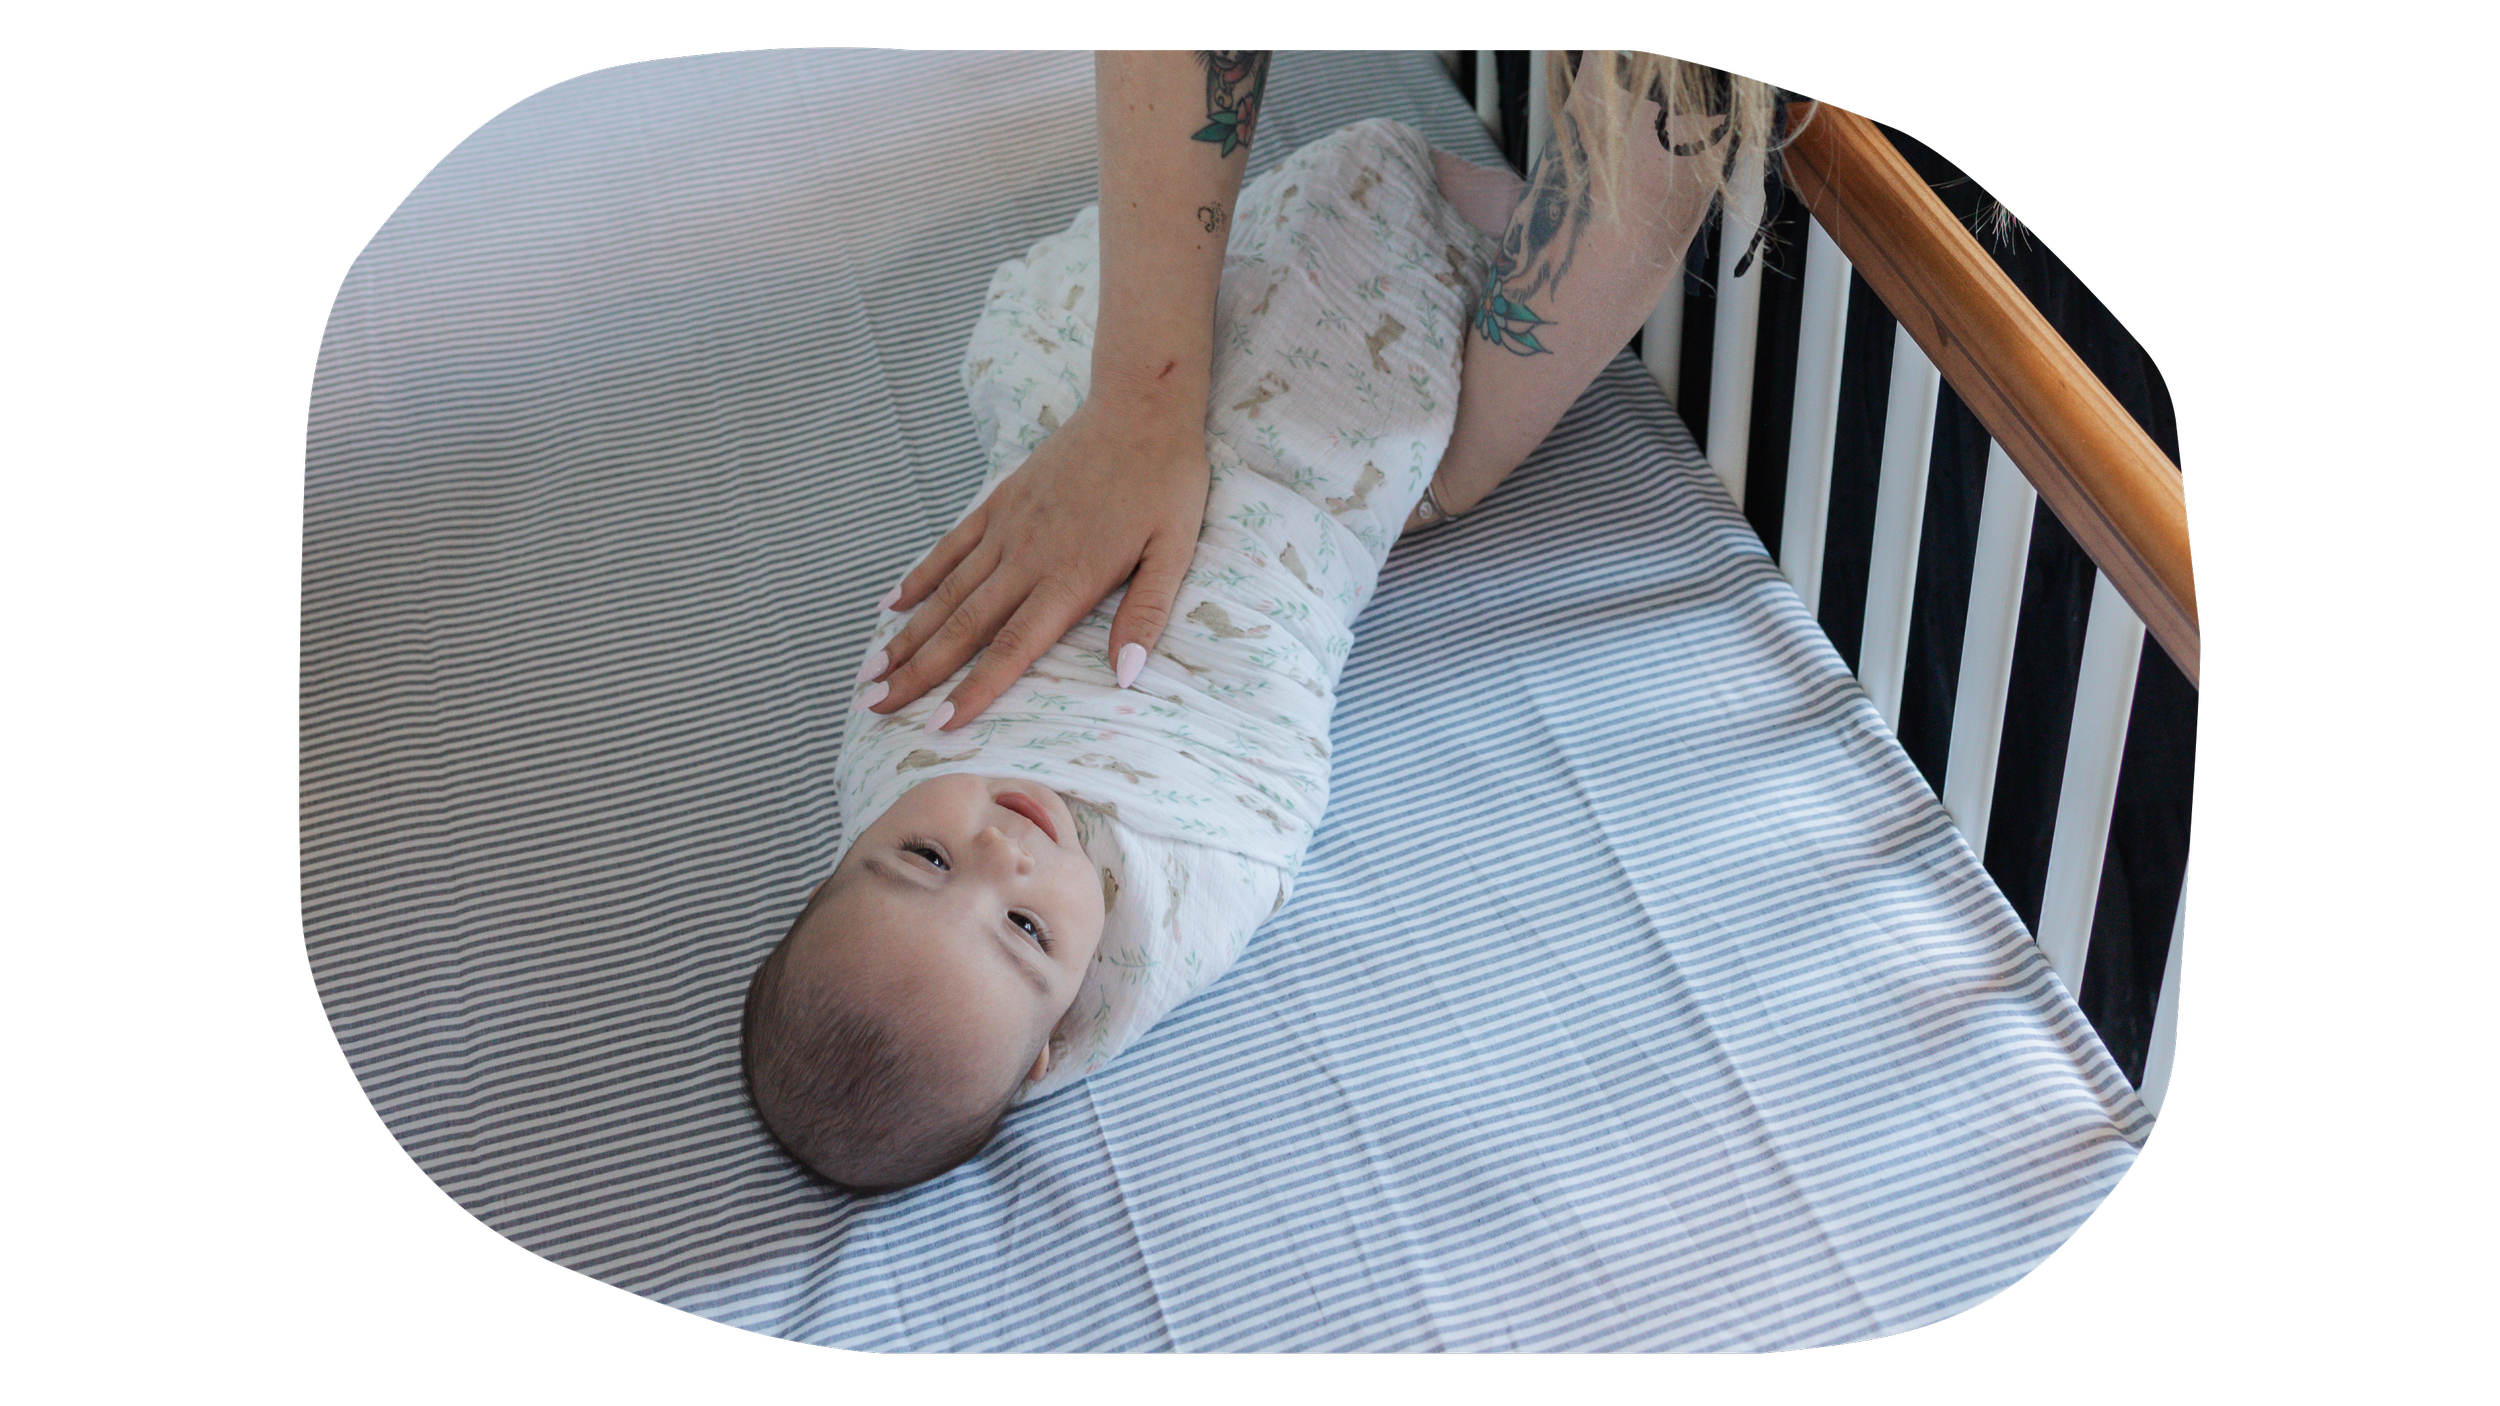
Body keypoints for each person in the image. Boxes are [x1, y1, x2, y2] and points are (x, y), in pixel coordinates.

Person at [741, 52, 1802, 1195]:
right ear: (1056, 1044)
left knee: (1072, 352)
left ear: (851, 848)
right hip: (1273, 540)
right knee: (1375, 422)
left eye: (925, 852)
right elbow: (1263, 800)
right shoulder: (1167, 912)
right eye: (1026, 930)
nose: (999, 847)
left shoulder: (893, 770)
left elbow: (903, 669)